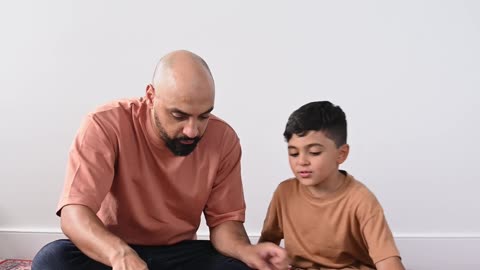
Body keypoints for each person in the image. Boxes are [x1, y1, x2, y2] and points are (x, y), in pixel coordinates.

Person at [32, 50, 289, 270]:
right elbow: (74, 212)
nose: (193, 130)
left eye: (203, 116)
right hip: (111, 252)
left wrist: (247, 252)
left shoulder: (223, 139)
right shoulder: (104, 124)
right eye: (179, 115)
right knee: (52, 259)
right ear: (151, 96)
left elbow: (225, 224)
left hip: (179, 253)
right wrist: (119, 254)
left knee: (238, 266)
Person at [259, 101, 405, 270]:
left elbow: (388, 261)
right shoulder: (284, 193)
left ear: (341, 154)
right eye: (293, 153)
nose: (301, 161)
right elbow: (267, 247)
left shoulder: (361, 200)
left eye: (314, 152)